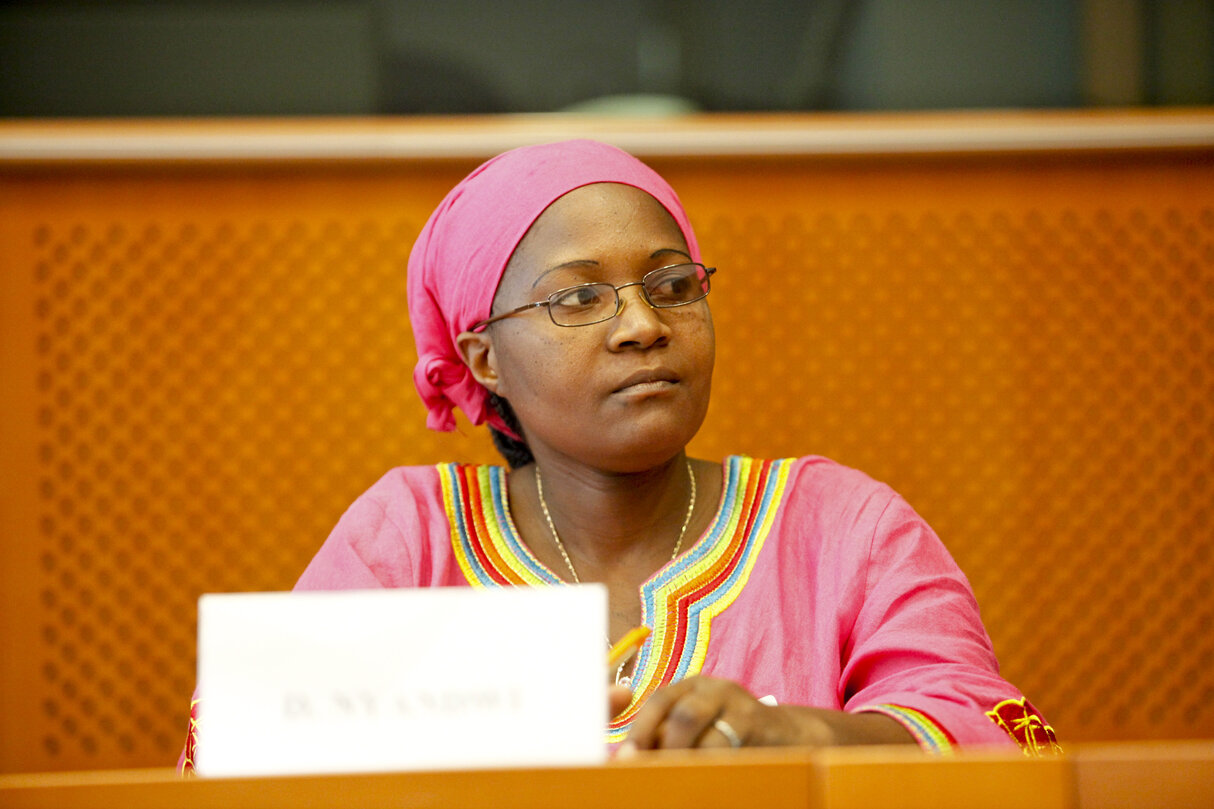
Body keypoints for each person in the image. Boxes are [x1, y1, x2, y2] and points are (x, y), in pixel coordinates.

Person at [179, 139, 1058, 772]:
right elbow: (237, 752)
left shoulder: (840, 527)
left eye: (673, 286)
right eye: (580, 299)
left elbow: (987, 736)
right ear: (484, 357)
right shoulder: (408, 537)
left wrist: (796, 737)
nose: (643, 325)